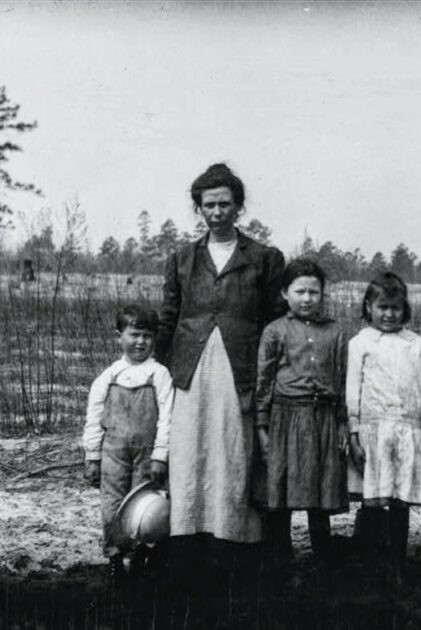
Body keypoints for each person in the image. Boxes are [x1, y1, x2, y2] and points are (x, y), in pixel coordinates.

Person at [156, 163, 285, 583]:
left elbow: (275, 317)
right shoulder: (183, 258)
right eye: (208, 205)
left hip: (240, 365)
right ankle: (187, 542)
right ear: (198, 208)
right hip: (190, 366)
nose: (216, 212)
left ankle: (234, 545)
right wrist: (158, 368)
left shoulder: (263, 258)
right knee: (191, 449)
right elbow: (169, 316)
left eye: (225, 204)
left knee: (233, 449)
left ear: (239, 207)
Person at [255, 258, 348, 577]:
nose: (307, 298)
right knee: (280, 490)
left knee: (319, 493)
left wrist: (341, 422)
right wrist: (262, 426)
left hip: (322, 417)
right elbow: (264, 380)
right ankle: (280, 561)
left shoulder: (335, 331)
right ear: (284, 293)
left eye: (314, 292)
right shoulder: (275, 330)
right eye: (300, 291)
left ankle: (322, 562)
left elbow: (342, 378)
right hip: (285, 418)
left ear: (323, 294)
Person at [347, 272, 421, 586]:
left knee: (401, 499)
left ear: (405, 309)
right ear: (369, 307)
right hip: (374, 432)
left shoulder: (415, 344)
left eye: (395, 308)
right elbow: (352, 390)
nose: (389, 314)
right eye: (382, 307)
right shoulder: (360, 344)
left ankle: (397, 565)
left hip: (407, 431)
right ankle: (371, 562)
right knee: (373, 499)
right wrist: (354, 432)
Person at [83, 304, 173, 581]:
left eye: (147, 336)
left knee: (145, 507)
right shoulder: (108, 376)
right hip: (113, 452)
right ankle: (114, 556)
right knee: (112, 505)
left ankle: (141, 556)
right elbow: (94, 418)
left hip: (147, 454)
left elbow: (167, 417)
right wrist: (92, 456)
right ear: (118, 336)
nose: (140, 342)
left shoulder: (159, 375)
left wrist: (160, 456)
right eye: (134, 334)